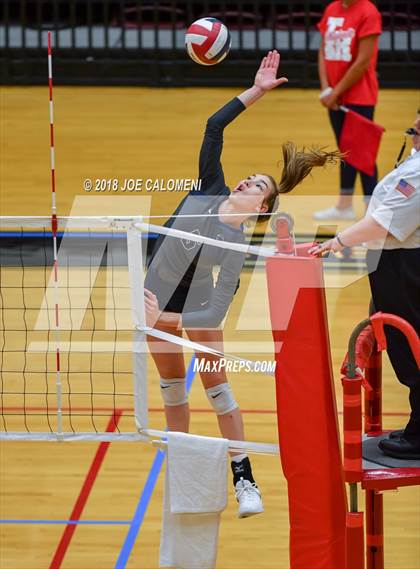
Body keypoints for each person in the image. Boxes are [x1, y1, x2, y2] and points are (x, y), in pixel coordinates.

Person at [143, 50, 342, 517]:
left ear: (261, 209)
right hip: (155, 290)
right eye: (250, 178)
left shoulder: (237, 245)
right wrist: (256, 90)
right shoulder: (209, 186)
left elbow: (213, 311)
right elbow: (214, 127)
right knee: (172, 391)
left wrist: (162, 319)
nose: (247, 182)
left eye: (257, 186)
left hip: (189, 307)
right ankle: (186, 475)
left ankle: (245, 479)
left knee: (219, 393)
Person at [309, 110, 420, 460]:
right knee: (405, 345)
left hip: (404, 266)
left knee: (412, 348)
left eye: (418, 126)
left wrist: (337, 241)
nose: (414, 129)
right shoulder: (414, 162)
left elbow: (382, 223)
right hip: (394, 264)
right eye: (414, 123)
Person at [314, 0, 382, 221]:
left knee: (363, 152)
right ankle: (344, 206)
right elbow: (323, 50)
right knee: (346, 151)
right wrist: (326, 89)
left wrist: (336, 92)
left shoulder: (368, 12)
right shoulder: (332, 8)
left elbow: (363, 62)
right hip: (334, 95)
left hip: (359, 96)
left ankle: (373, 212)